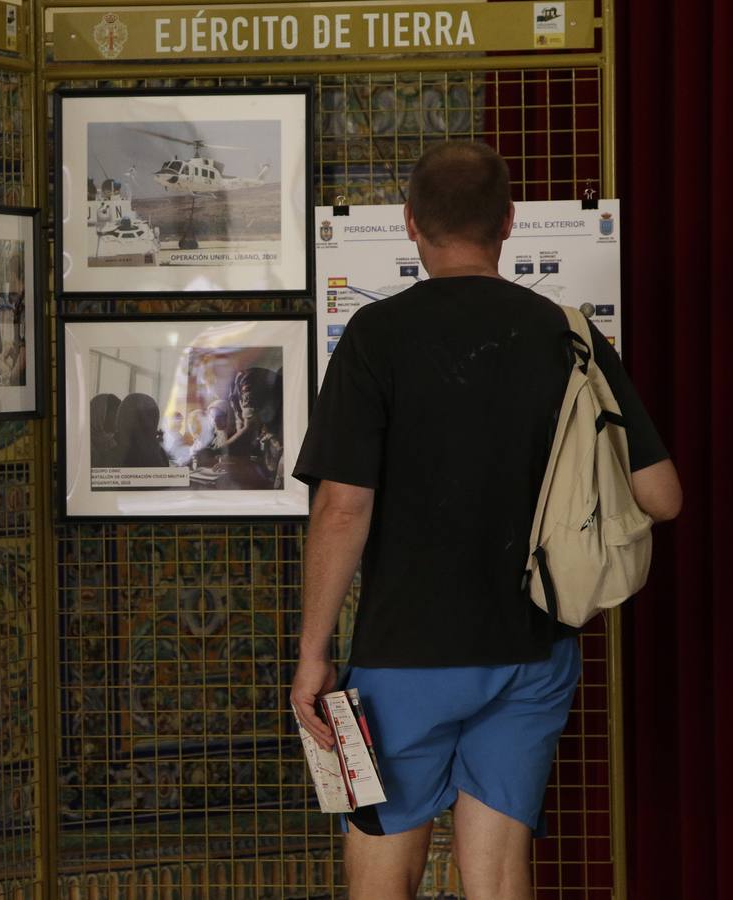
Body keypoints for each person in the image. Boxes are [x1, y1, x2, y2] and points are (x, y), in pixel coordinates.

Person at [289, 141, 681, 900]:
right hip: (531, 649)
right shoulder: (568, 335)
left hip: (404, 656)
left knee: (383, 874)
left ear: (409, 223)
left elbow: (343, 506)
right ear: (509, 221)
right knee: (499, 875)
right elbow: (662, 495)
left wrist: (314, 653)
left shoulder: (374, 337)